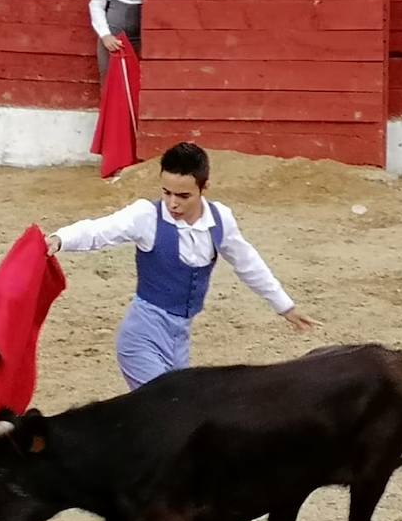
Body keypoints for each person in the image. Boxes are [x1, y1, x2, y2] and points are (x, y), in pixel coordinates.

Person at [44, 142, 316, 390]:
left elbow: (247, 262)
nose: (172, 203)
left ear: (203, 188)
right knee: (165, 411)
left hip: (180, 341)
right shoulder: (146, 216)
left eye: (183, 195)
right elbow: (101, 230)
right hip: (142, 338)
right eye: (166, 192)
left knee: (176, 417)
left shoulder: (221, 219)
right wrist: (61, 239)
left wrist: (285, 307)